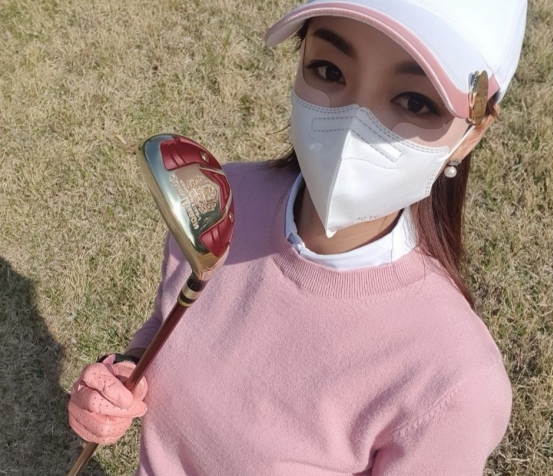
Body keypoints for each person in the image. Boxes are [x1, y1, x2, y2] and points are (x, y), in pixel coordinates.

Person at [68, 0, 528, 474]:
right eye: (329, 70)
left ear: (473, 132)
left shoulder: (453, 381)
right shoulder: (218, 202)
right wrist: (124, 374)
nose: (352, 123)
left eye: (415, 101)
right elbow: (169, 327)